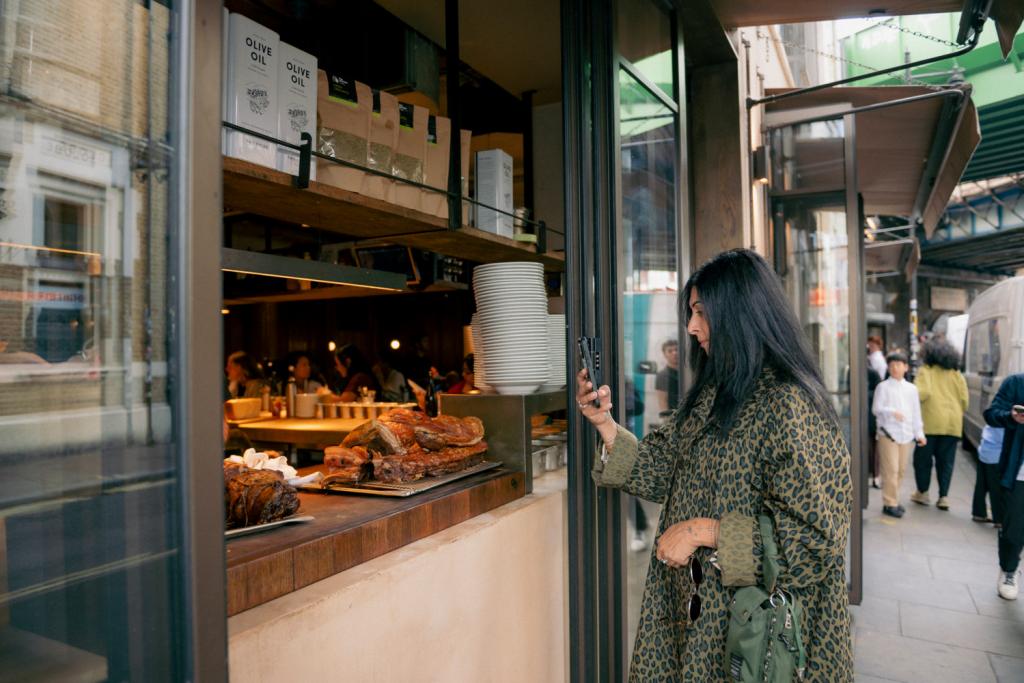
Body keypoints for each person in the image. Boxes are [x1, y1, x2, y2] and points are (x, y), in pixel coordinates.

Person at [576, 249, 852, 680]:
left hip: (752, 641)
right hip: (699, 622)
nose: (691, 327)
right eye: (690, 312)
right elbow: (660, 465)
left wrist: (702, 531)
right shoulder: (716, 391)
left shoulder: (790, 403)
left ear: (740, 314)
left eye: (701, 312)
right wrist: (606, 425)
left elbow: (811, 545)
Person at [910, 340, 968, 511]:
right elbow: (965, 400)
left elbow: (922, 393)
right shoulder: (956, 374)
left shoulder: (925, 371)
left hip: (930, 423)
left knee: (922, 460)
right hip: (952, 424)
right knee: (946, 462)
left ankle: (923, 492)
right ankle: (943, 497)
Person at [984, 372, 1024, 600]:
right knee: (1013, 531)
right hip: (1019, 474)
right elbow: (991, 414)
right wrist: (1011, 417)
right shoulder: (1016, 383)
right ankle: (1009, 570)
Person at [872, 352, 926, 518]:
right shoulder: (883, 387)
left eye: (898, 364)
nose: (895, 367)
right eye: (892, 365)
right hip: (888, 434)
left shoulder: (912, 389)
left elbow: (916, 413)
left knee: (901, 470)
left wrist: (920, 434)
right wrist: (891, 412)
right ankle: (890, 503)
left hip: (906, 435)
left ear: (906, 367)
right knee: (891, 470)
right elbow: (876, 409)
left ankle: (893, 499)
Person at [972, 425, 1006, 526]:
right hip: (997, 455)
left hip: (985, 451)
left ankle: (978, 513)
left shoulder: (994, 414)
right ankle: (999, 519)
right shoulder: (1007, 415)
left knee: (981, 485)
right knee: (996, 489)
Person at [867, 365, 883, 489]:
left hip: (872, 416)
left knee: (874, 449)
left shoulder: (873, 373)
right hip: (867, 415)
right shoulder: (873, 372)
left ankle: (876, 476)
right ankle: (875, 476)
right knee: (873, 449)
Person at [654, 339, 679, 414]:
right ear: (665, 354)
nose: (674, 353)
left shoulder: (687, 373)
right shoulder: (662, 375)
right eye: (670, 351)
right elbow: (662, 402)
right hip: (674, 417)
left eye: (676, 349)